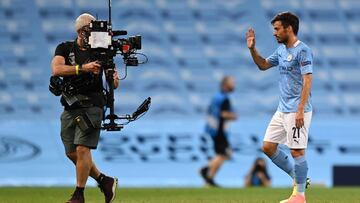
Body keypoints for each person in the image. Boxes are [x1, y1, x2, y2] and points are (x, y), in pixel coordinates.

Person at [51, 13, 119, 203]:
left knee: (82, 149)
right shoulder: (65, 48)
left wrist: (112, 76)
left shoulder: (101, 50)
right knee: (72, 152)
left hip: (93, 104)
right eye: (91, 29)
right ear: (81, 31)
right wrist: (84, 68)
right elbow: (56, 70)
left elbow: (114, 84)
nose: (95, 33)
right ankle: (104, 180)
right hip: (70, 104)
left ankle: (78, 195)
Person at [246, 12, 312, 203]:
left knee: (297, 152)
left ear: (288, 28)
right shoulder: (282, 51)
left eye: (277, 29)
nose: (274, 33)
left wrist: (300, 109)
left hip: (297, 109)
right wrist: (252, 49)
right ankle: (299, 179)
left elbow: (308, 80)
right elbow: (263, 65)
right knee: (267, 146)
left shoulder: (303, 51)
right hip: (282, 109)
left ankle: (300, 196)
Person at [199, 76, 238, 187]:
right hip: (219, 130)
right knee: (223, 154)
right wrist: (233, 116)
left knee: (222, 154)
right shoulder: (224, 98)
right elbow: (223, 114)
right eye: (232, 82)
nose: (234, 85)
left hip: (213, 128)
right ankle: (208, 176)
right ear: (225, 85)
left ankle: (207, 173)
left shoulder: (217, 97)